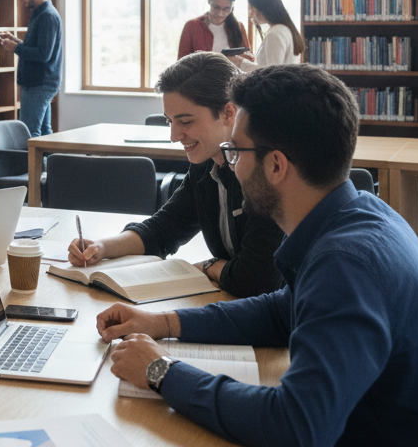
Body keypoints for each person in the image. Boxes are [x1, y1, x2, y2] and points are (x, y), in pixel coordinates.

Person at [102, 64, 418, 446]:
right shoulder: (362, 212)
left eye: (235, 152)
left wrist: (160, 370)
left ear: (275, 165)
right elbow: (283, 310)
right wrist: (163, 323)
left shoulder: (345, 264)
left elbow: (295, 427)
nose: (231, 165)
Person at [69, 52, 284, 298]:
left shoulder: (263, 172)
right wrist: (101, 247)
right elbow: (164, 229)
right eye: (170, 121)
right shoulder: (206, 165)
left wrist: (207, 266)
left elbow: (258, 280)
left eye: (186, 122)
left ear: (228, 113)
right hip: (234, 304)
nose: (174, 136)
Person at [0, 0, 63, 137]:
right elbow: (37, 47)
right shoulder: (39, 14)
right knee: (44, 132)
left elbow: (43, 55)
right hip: (39, 83)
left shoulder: (47, 16)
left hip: (39, 84)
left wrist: (15, 48)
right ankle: (49, 163)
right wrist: (14, 40)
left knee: (29, 133)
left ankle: (35, 164)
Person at [230, 0, 303, 70]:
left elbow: (271, 73)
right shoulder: (284, 29)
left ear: (263, 9)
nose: (250, 15)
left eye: (252, 9)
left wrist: (240, 63)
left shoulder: (275, 33)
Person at [177, 0, 251, 59]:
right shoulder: (192, 26)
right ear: (209, 1)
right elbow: (181, 64)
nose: (220, 14)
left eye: (226, 9)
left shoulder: (239, 27)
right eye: (216, 7)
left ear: (232, 8)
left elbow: (249, 60)